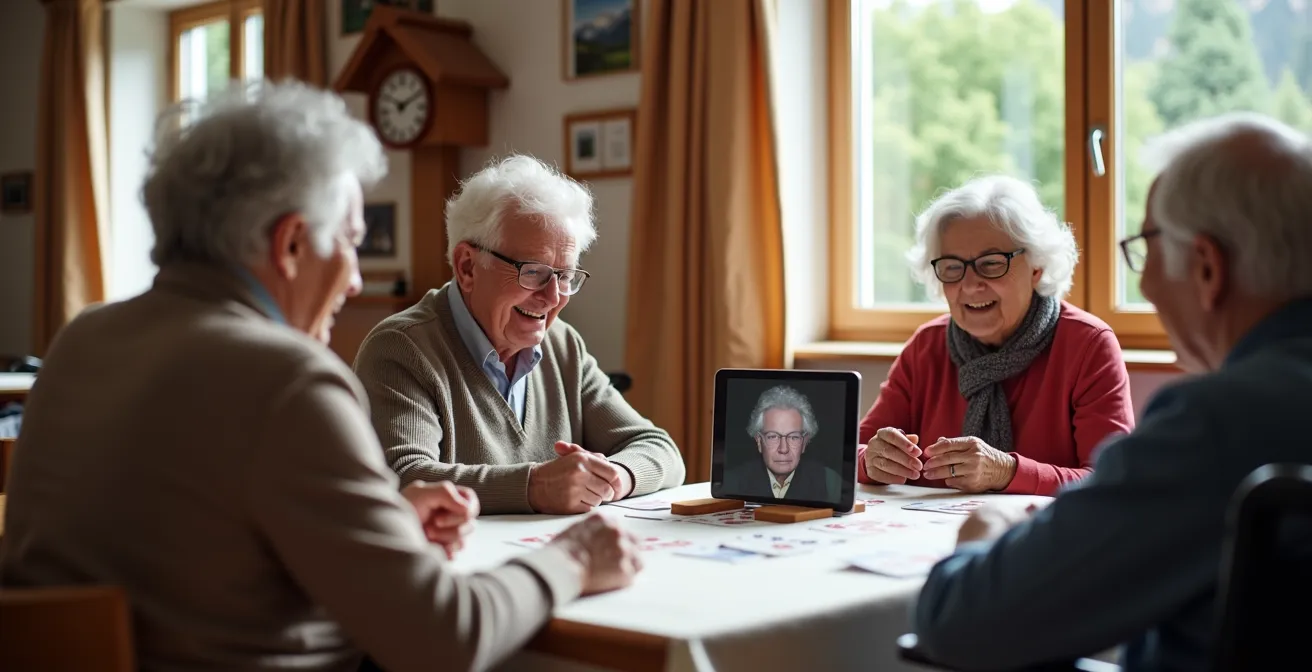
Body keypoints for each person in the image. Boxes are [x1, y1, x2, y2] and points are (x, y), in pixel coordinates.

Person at [0, 82, 643, 672]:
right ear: (290, 245)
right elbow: (443, 639)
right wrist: (575, 557)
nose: (357, 280)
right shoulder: (288, 380)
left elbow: (197, 539)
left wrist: (379, 514)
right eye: (352, 241)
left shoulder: (82, 340)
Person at [912, 113, 1312, 670]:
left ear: (1206, 267)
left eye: (1145, 249)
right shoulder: (929, 344)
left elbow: (959, 621)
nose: (1143, 284)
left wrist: (986, 532)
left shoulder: (1215, 423)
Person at [353, 155, 685, 515]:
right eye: (534, 272)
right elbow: (404, 479)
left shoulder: (563, 344)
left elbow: (658, 447)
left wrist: (612, 477)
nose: (553, 296)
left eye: (565, 276)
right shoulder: (401, 348)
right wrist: (536, 487)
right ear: (467, 266)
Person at [858, 176, 1134, 496]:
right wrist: (870, 461)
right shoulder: (926, 346)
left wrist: (1008, 472)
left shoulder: (1088, 345)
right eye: (952, 267)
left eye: (991, 264)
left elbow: (1113, 483)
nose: (971, 284)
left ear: (1037, 267)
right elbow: (846, 453)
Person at [722, 385, 841, 502]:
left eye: (794, 437)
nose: (783, 449)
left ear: (804, 443)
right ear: (759, 441)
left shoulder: (829, 483)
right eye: (773, 436)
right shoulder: (731, 484)